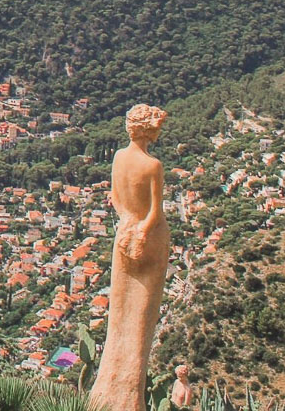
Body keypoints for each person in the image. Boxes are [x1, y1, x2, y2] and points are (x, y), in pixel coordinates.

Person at [89, 104, 169, 411]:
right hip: (149, 238)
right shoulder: (153, 166)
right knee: (141, 320)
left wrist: (127, 226)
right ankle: (128, 399)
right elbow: (155, 211)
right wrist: (143, 231)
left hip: (123, 234)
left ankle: (104, 394)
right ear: (149, 129)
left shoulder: (119, 158)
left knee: (119, 315)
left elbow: (117, 200)